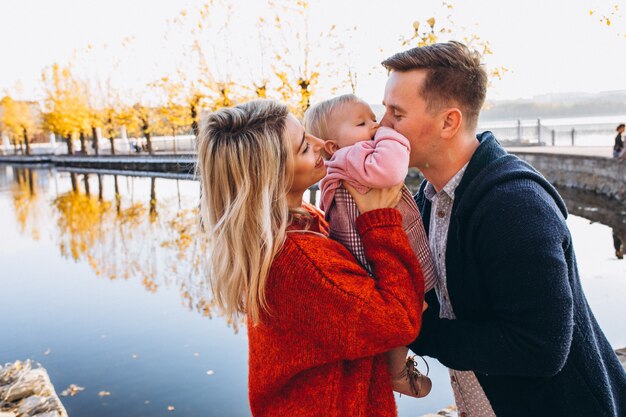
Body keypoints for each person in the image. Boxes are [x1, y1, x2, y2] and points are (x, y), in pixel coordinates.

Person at [378, 41, 626, 417]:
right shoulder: (429, 199)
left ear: (449, 122)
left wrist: (419, 331)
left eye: (396, 114)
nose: (382, 127)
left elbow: (541, 346)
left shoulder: (514, 206)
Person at [196, 99, 425, 417]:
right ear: (270, 176)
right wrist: (381, 219)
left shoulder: (294, 223)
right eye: (304, 147)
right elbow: (398, 321)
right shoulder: (301, 260)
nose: (322, 145)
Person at [304, 93, 435, 398]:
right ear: (333, 146)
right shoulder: (354, 156)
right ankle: (398, 371)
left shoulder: (348, 159)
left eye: (373, 118)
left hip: (367, 258)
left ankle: (396, 366)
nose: (375, 126)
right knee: (408, 308)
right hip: (378, 258)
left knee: (409, 311)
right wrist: (392, 136)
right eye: (362, 123)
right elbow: (392, 169)